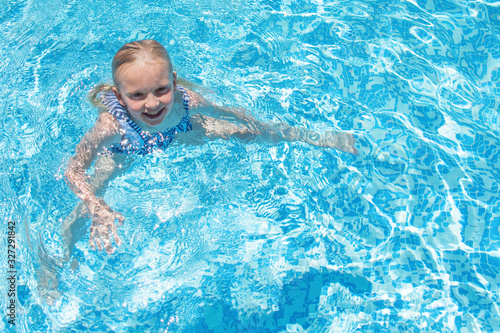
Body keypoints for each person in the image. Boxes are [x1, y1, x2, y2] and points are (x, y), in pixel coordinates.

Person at [64, 39, 358, 257]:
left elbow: (233, 114)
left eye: (161, 90)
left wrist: (262, 129)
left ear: (174, 83)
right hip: (126, 149)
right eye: (137, 95)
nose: (152, 104)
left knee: (251, 133)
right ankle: (57, 259)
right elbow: (73, 169)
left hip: (181, 130)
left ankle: (314, 137)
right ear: (119, 96)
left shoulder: (187, 101)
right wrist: (96, 205)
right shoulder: (110, 128)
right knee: (86, 203)